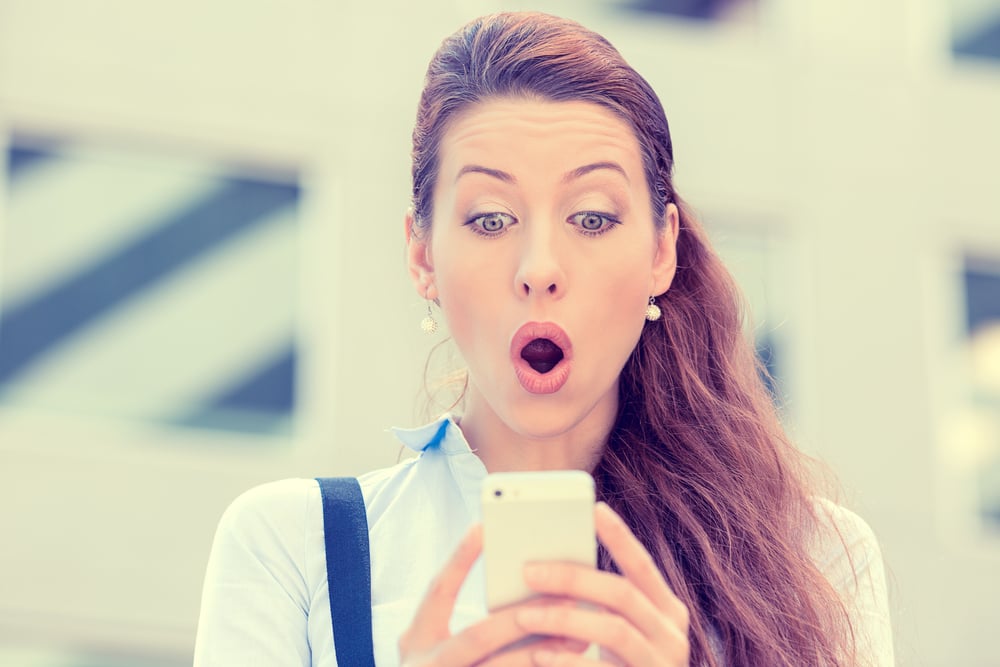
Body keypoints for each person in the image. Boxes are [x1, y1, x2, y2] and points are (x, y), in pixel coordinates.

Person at [193, 11, 893, 667]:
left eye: (590, 218)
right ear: (422, 254)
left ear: (661, 251)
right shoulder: (295, 545)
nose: (540, 271)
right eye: (491, 218)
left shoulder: (816, 558)